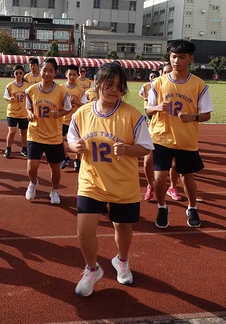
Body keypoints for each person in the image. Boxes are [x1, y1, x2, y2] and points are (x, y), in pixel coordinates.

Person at [68, 62, 153, 297]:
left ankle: (121, 260)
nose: (114, 90)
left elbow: (145, 148)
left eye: (119, 86)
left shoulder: (132, 115)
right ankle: (91, 269)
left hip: (123, 185)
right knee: (84, 230)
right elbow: (71, 140)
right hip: (91, 182)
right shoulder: (82, 113)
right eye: (108, 84)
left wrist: (127, 149)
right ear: (96, 85)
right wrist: (75, 146)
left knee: (123, 227)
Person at [146, 40, 213, 228]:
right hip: (161, 137)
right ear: (170, 57)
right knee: (159, 178)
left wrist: (194, 116)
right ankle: (162, 207)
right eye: (174, 56)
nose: (177, 61)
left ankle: (192, 208)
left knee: (187, 178)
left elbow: (207, 114)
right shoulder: (158, 83)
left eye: (182, 57)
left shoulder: (199, 85)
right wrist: (157, 107)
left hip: (186, 140)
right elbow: (148, 110)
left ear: (190, 59)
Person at [25, 58, 72, 204]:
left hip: (53, 136)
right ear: (40, 71)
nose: (47, 73)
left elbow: (68, 108)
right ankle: (33, 183)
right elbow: (28, 106)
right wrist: (29, 114)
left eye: (51, 71)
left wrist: (59, 114)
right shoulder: (31, 90)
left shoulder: (61, 92)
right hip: (35, 134)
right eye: (44, 70)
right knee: (32, 166)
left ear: (55, 73)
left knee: (55, 167)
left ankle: (55, 191)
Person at [144, 63, 183, 202]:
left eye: (169, 72)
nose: (167, 75)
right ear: (161, 73)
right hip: (156, 129)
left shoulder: (181, 87)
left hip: (175, 131)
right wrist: (158, 107)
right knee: (148, 161)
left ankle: (172, 187)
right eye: (164, 72)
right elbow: (148, 110)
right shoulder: (155, 85)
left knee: (174, 163)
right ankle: (150, 186)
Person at [60, 65, 88, 172]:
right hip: (63, 119)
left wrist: (75, 101)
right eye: (70, 74)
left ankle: (77, 159)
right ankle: (66, 158)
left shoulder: (81, 90)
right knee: (59, 140)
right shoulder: (61, 88)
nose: (72, 77)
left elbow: (85, 106)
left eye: (74, 75)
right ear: (66, 74)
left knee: (78, 141)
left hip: (77, 120)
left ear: (77, 76)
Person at [3, 64, 29, 158]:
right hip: (12, 112)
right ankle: (8, 148)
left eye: (20, 73)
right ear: (13, 74)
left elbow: (31, 97)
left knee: (24, 132)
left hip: (23, 113)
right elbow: (5, 96)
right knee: (12, 131)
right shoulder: (10, 85)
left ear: (23, 74)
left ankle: (24, 149)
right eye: (16, 73)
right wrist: (9, 98)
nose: (18, 74)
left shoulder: (27, 85)